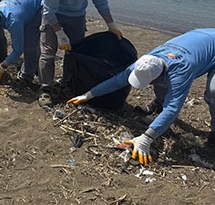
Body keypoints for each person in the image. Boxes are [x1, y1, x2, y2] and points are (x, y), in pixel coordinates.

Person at [67, 29, 215, 164]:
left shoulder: (180, 71)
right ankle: (159, 102)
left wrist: (147, 138)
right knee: (165, 84)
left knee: (213, 92)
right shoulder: (147, 61)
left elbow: (173, 108)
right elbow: (118, 80)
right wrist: (89, 94)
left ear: (159, 76)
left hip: (206, 49)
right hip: (199, 37)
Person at [39, 0, 122, 106]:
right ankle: (45, 88)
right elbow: (48, 11)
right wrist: (59, 33)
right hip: (54, 14)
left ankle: (67, 84)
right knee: (48, 52)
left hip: (77, 16)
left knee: (74, 52)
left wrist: (111, 24)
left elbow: (100, 1)